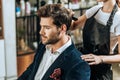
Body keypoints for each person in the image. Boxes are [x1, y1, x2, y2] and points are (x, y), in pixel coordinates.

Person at [18, 4, 90, 80]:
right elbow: (31, 71)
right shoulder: (43, 46)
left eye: (47, 28)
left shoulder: (78, 64)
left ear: (62, 28)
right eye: (41, 26)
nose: (41, 32)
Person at [71, 0, 120, 80]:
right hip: (83, 65)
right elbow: (73, 26)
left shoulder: (118, 18)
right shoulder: (95, 10)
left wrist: (100, 59)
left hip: (101, 72)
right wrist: (66, 16)